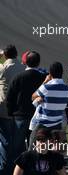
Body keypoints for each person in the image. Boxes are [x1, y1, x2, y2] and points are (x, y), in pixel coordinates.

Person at [6, 51, 46, 171]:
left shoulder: (18, 77)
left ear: (25, 62)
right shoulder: (43, 78)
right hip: (37, 117)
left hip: (20, 117)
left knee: (17, 147)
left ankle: (16, 170)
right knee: (34, 147)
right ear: (38, 62)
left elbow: (10, 97)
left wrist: (11, 113)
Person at [29, 62, 68, 148]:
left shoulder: (46, 87)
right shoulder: (67, 89)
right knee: (54, 151)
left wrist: (45, 81)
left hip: (43, 124)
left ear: (50, 74)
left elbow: (33, 97)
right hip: (57, 124)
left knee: (32, 148)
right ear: (62, 73)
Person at [0, 45, 25, 174]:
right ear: (16, 54)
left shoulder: (3, 68)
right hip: (19, 111)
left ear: (5, 55)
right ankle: (18, 168)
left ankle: (4, 169)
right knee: (18, 142)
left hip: (4, 110)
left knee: (5, 141)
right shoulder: (23, 67)